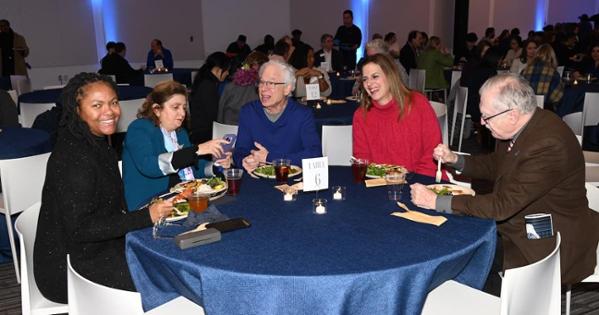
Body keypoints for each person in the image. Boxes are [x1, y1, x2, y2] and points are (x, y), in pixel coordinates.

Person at [410, 73, 599, 286]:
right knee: (457, 240)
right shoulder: (520, 127)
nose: (482, 122)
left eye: (486, 117)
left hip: (547, 240)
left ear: (512, 115)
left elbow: (502, 206)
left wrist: (435, 201)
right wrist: (455, 159)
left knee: (468, 260)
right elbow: (497, 165)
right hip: (518, 225)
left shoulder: (548, 144)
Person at [33, 73, 174, 303]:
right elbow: (81, 229)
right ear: (77, 109)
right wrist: (145, 217)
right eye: (97, 105)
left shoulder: (96, 142)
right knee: (166, 279)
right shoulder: (72, 157)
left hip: (99, 248)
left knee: (167, 256)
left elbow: (108, 208)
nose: (109, 112)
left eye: (113, 102)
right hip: (69, 268)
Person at [122, 80, 231, 210]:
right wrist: (196, 150)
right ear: (157, 109)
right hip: (149, 205)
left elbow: (192, 167)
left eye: (184, 108)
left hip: (180, 199)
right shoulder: (139, 128)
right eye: (175, 107)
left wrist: (216, 166)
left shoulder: (180, 133)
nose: (183, 113)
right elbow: (149, 166)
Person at [353, 53, 443, 178]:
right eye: (365, 79)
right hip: (380, 184)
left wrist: (416, 183)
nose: (369, 83)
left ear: (390, 76)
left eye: (375, 76)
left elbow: (431, 153)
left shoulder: (417, 103)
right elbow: (362, 159)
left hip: (422, 181)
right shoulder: (361, 115)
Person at [233, 60, 321, 170]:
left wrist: (270, 158)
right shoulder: (249, 112)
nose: (264, 88)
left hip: (291, 181)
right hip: (257, 180)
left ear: (287, 89)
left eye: (271, 83)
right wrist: (245, 161)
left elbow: (314, 155)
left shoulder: (302, 114)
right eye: (262, 82)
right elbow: (240, 151)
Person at [188, 52, 231, 144]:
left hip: (202, 130)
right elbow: (214, 114)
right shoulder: (208, 85)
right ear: (218, 69)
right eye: (226, 70)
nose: (227, 73)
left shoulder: (205, 81)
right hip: (204, 134)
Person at [218, 51, 269, 125]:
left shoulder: (230, 85)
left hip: (228, 130)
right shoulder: (262, 88)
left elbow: (221, 110)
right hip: (250, 130)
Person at [521, 44, 564, 110]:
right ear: (552, 57)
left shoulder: (524, 71)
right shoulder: (553, 73)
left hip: (526, 109)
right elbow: (557, 98)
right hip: (545, 112)